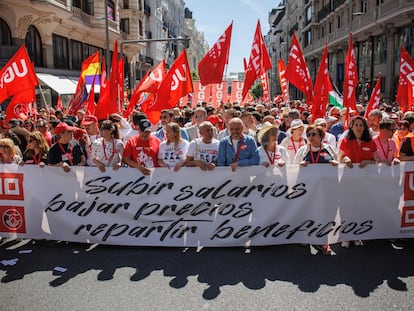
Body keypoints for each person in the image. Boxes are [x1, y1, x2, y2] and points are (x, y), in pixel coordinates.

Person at [338, 116, 378, 248]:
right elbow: (340, 159)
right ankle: (346, 236)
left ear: (364, 127)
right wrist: (346, 159)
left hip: (364, 183)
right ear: (352, 127)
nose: (359, 128)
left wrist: (368, 161)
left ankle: (356, 235)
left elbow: (376, 161)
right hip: (347, 182)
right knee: (347, 207)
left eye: (361, 125)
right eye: (356, 125)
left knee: (359, 207)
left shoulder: (370, 142)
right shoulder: (345, 141)